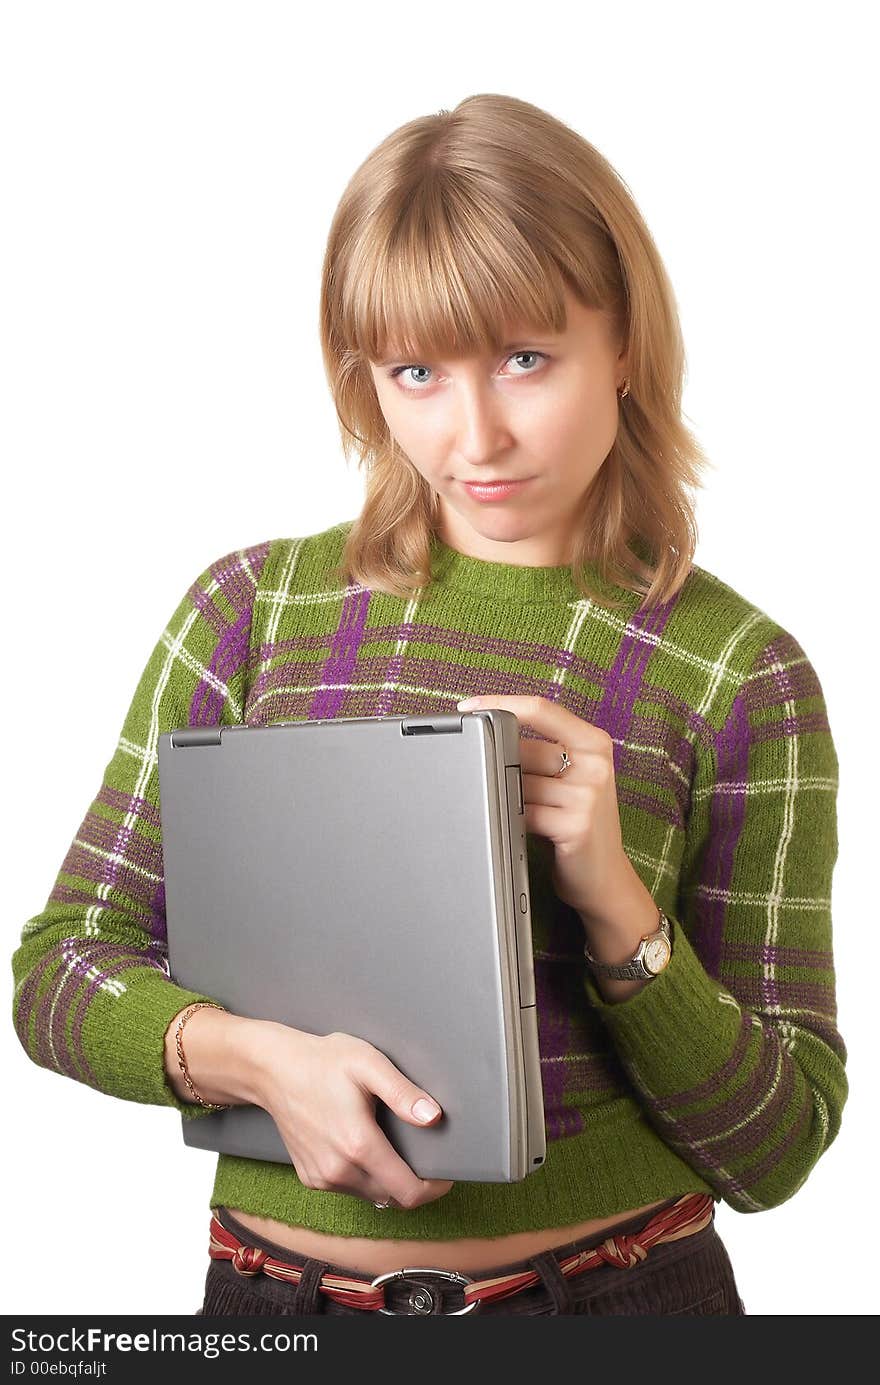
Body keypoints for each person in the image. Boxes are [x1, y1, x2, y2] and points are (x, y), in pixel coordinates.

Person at [11, 93, 846, 1318]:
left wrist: (619, 911)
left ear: (625, 341)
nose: (476, 434)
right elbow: (57, 972)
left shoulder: (737, 671)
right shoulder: (251, 608)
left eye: (524, 357)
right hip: (272, 1315)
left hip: (613, 1304)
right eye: (417, 371)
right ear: (368, 378)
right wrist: (249, 1059)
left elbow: (776, 1146)